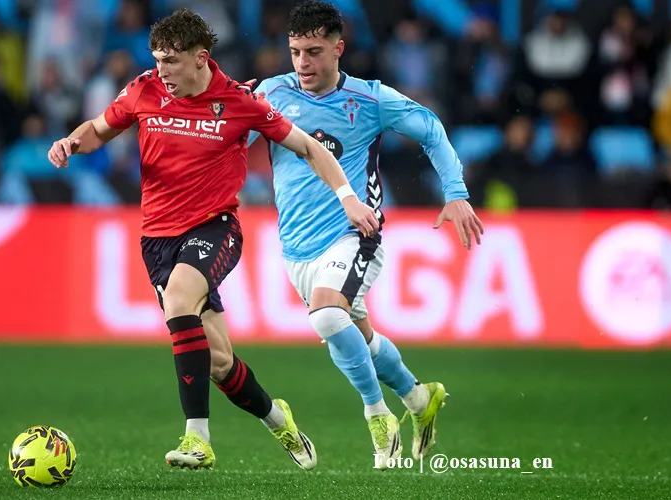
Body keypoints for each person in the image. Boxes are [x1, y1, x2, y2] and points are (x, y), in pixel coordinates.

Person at [46, 8, 379, 471]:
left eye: (172, 62)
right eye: (158, 60)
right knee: (219, 363)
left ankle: (197, 438)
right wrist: (70, 142)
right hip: (157, 239)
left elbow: (308, 146)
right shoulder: (145, 89)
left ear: (201, 59)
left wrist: (347, 198)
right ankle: (276, 416)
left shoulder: (242, 102)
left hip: (215, 227)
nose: (162, 72)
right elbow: (100, 128)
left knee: (181, 299)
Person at [201, 0, 484, 468]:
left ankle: (378, 415)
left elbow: (431, 128)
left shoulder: (370, 99)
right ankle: (417, 398)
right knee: (355, 332)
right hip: (296, 247)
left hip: (356, 233)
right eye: (295, 52)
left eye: (313, 51)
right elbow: (230, 141)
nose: (303, 63)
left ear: (339, 48)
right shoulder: (272, 93)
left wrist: (454, 192)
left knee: (327, 315)